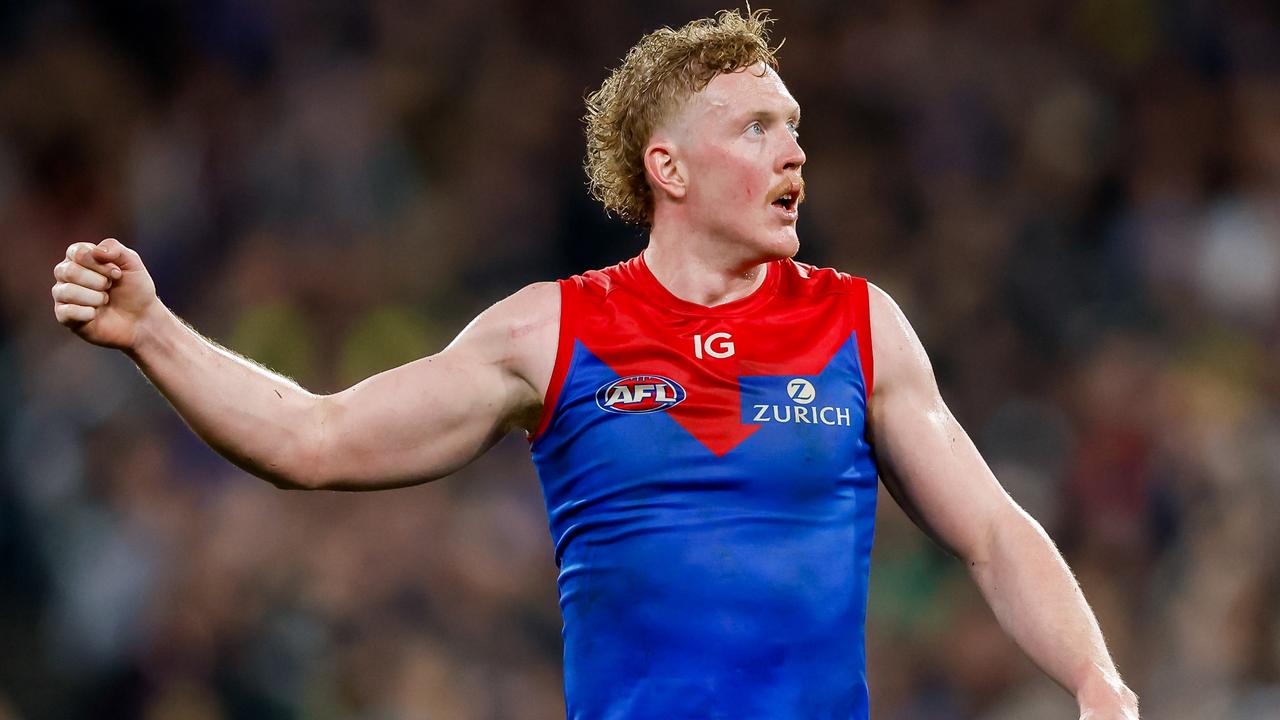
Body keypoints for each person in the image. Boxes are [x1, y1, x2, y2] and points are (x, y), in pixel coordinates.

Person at [51, 9, 1138, 720]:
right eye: (756, 126)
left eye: (794, 125)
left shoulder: (857, 324)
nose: (794, 149)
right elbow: (315, 439)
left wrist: (1093, 680)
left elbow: (993, 534)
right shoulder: (547, 332)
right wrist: (155, 331)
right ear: (665, 164)